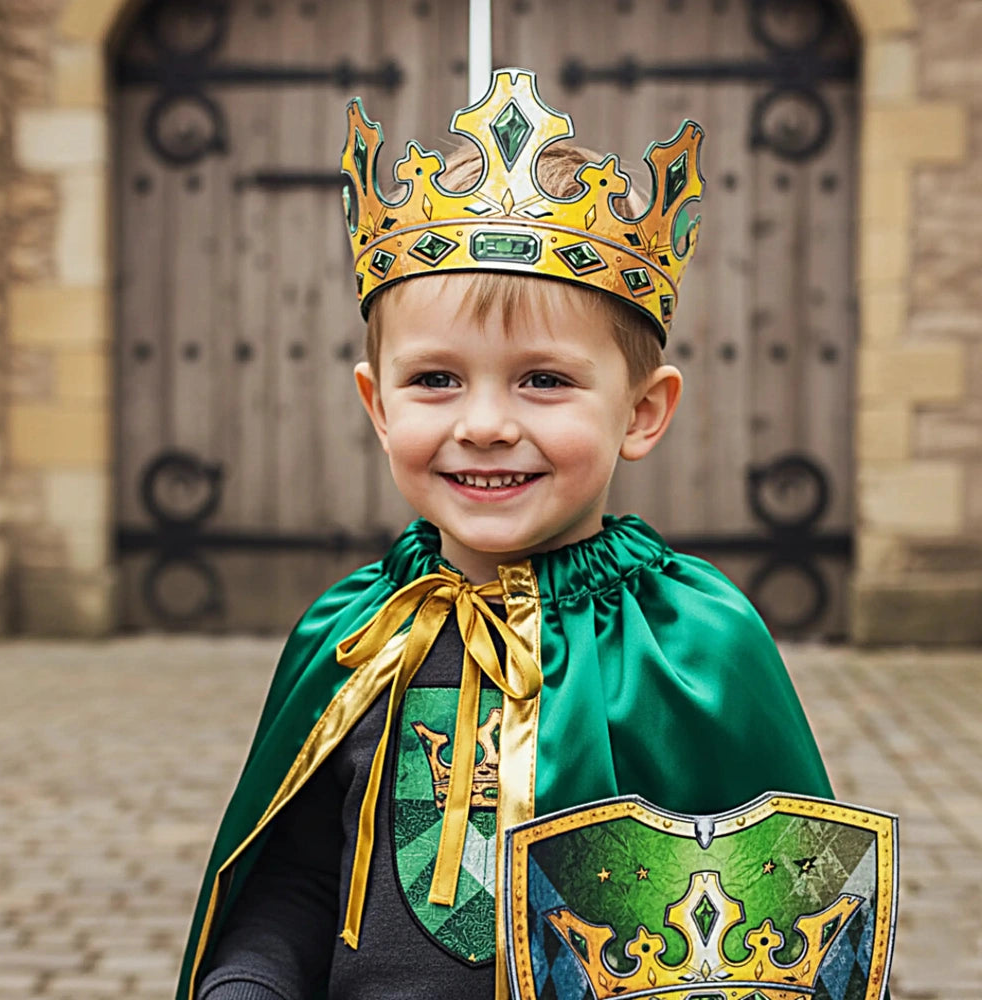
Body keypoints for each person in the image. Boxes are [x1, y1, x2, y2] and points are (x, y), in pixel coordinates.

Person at [177, 69, 832, 1000]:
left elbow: (786, 931)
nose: (483, 422)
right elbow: (298, 883)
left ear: (642, 413)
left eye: (544, 381)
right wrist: (247, 986)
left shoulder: (694, 648)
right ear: (376, 403)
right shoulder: (355, 637)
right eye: (436, 379)